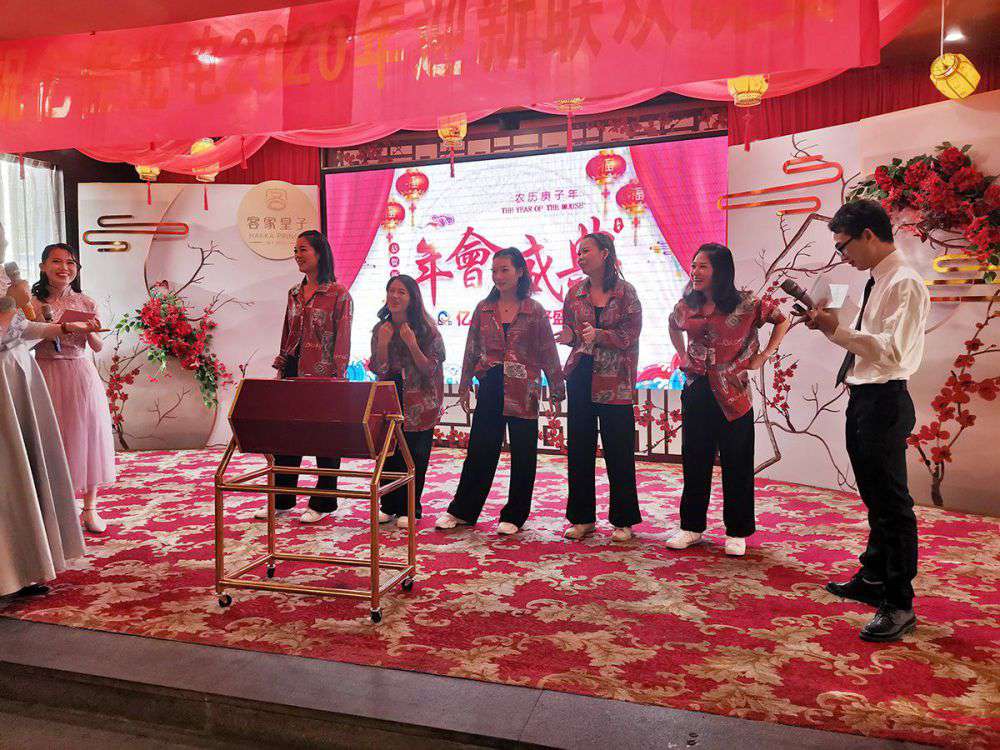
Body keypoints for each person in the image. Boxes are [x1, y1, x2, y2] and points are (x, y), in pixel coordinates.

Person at [803, 200, 929, 643]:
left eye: (844, 246)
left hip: (886, 399)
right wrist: (830, 326)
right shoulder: (879, 278)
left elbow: (893, 352)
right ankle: (874, 576)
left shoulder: (905, 282)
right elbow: (868, 344)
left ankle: (899, 603)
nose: (843, 256)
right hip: (864, 396)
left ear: (869, 235)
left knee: (892, 505)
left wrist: (834, 330)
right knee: (875, 496)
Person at [666, 243, 790, 557]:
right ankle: (691, 527)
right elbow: (672, 324)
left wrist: (764, 355)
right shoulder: (687, 304)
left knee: (737, 463)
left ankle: (737, 531)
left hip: (734, 393)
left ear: (720, 270)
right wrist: (682, 355)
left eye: (702, 266)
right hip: (697, 388)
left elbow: (782, 320)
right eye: (693, 266)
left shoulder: (747, 304)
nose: (695, 272)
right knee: (695, 461)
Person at [436, 247, 565, 535]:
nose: (498, 276)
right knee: (480, 450)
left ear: (520, 272)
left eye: (504, 269)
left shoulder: (534, 310)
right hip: (491, 384)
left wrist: (557, 388)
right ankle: (463, 511)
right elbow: (471, 347)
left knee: (523, 453)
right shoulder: (484, 308)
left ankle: (515, 515)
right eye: (494, 271)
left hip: (524, 389)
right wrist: (465, 383)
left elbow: (548, 350)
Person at [1, 290, 98, 598]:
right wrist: (9, 310)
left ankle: (21, 570)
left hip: (16, 380)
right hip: (3, 386)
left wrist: (64, 327)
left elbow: (22, 329)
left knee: (22, 476)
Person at [255, 230, 353, 524]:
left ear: (319, 253)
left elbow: (343, 339)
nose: (297, 255)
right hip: (292, 371)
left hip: (323, 377)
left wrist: (338, 378)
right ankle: (281, 499)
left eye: (303, 249)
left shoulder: (339, 294)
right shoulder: (294, 293)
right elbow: (287, 333)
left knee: (326, 440)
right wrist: (281, 367)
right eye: (295, 250)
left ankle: (323, 502)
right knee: (287, 437)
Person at [557, 232, 643, 542]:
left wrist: (600, 335)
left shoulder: (625, 292)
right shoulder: (574, 292)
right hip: (581, 374)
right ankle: (582, 519)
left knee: (618, 449)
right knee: (579, 448)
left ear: (605, 253)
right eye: (578, 252)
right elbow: (571, 329)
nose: (580, 257)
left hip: (615, 379)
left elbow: (631, 334)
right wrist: (569, 336)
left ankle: (623, 520)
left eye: (586, 251)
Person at [31, 243, 116, 534]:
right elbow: (24, 341)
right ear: (43, 266)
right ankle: (57, 506)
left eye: (70, 263)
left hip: (80, 372)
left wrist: (90, 331)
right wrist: (52, 327)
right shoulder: (31, 303)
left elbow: (98, 346)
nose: (64, 268)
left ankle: (90, 508)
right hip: (45, 371)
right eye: (56, 261)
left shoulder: (85, 302)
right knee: (50, 437)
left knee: (87, 436)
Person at [370, 274, 445, 529]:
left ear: (412, 298)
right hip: (389, 396)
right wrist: (383, 343)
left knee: (414, 455)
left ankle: (411, 507)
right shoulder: (381, 328)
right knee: (389, 452)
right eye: (391, 291)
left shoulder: (427, 330)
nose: (395, 296)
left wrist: (412, 344)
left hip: (419, 400)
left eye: (401, 292)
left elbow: (430, 369)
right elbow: (378, 368)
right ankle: (388, 505)